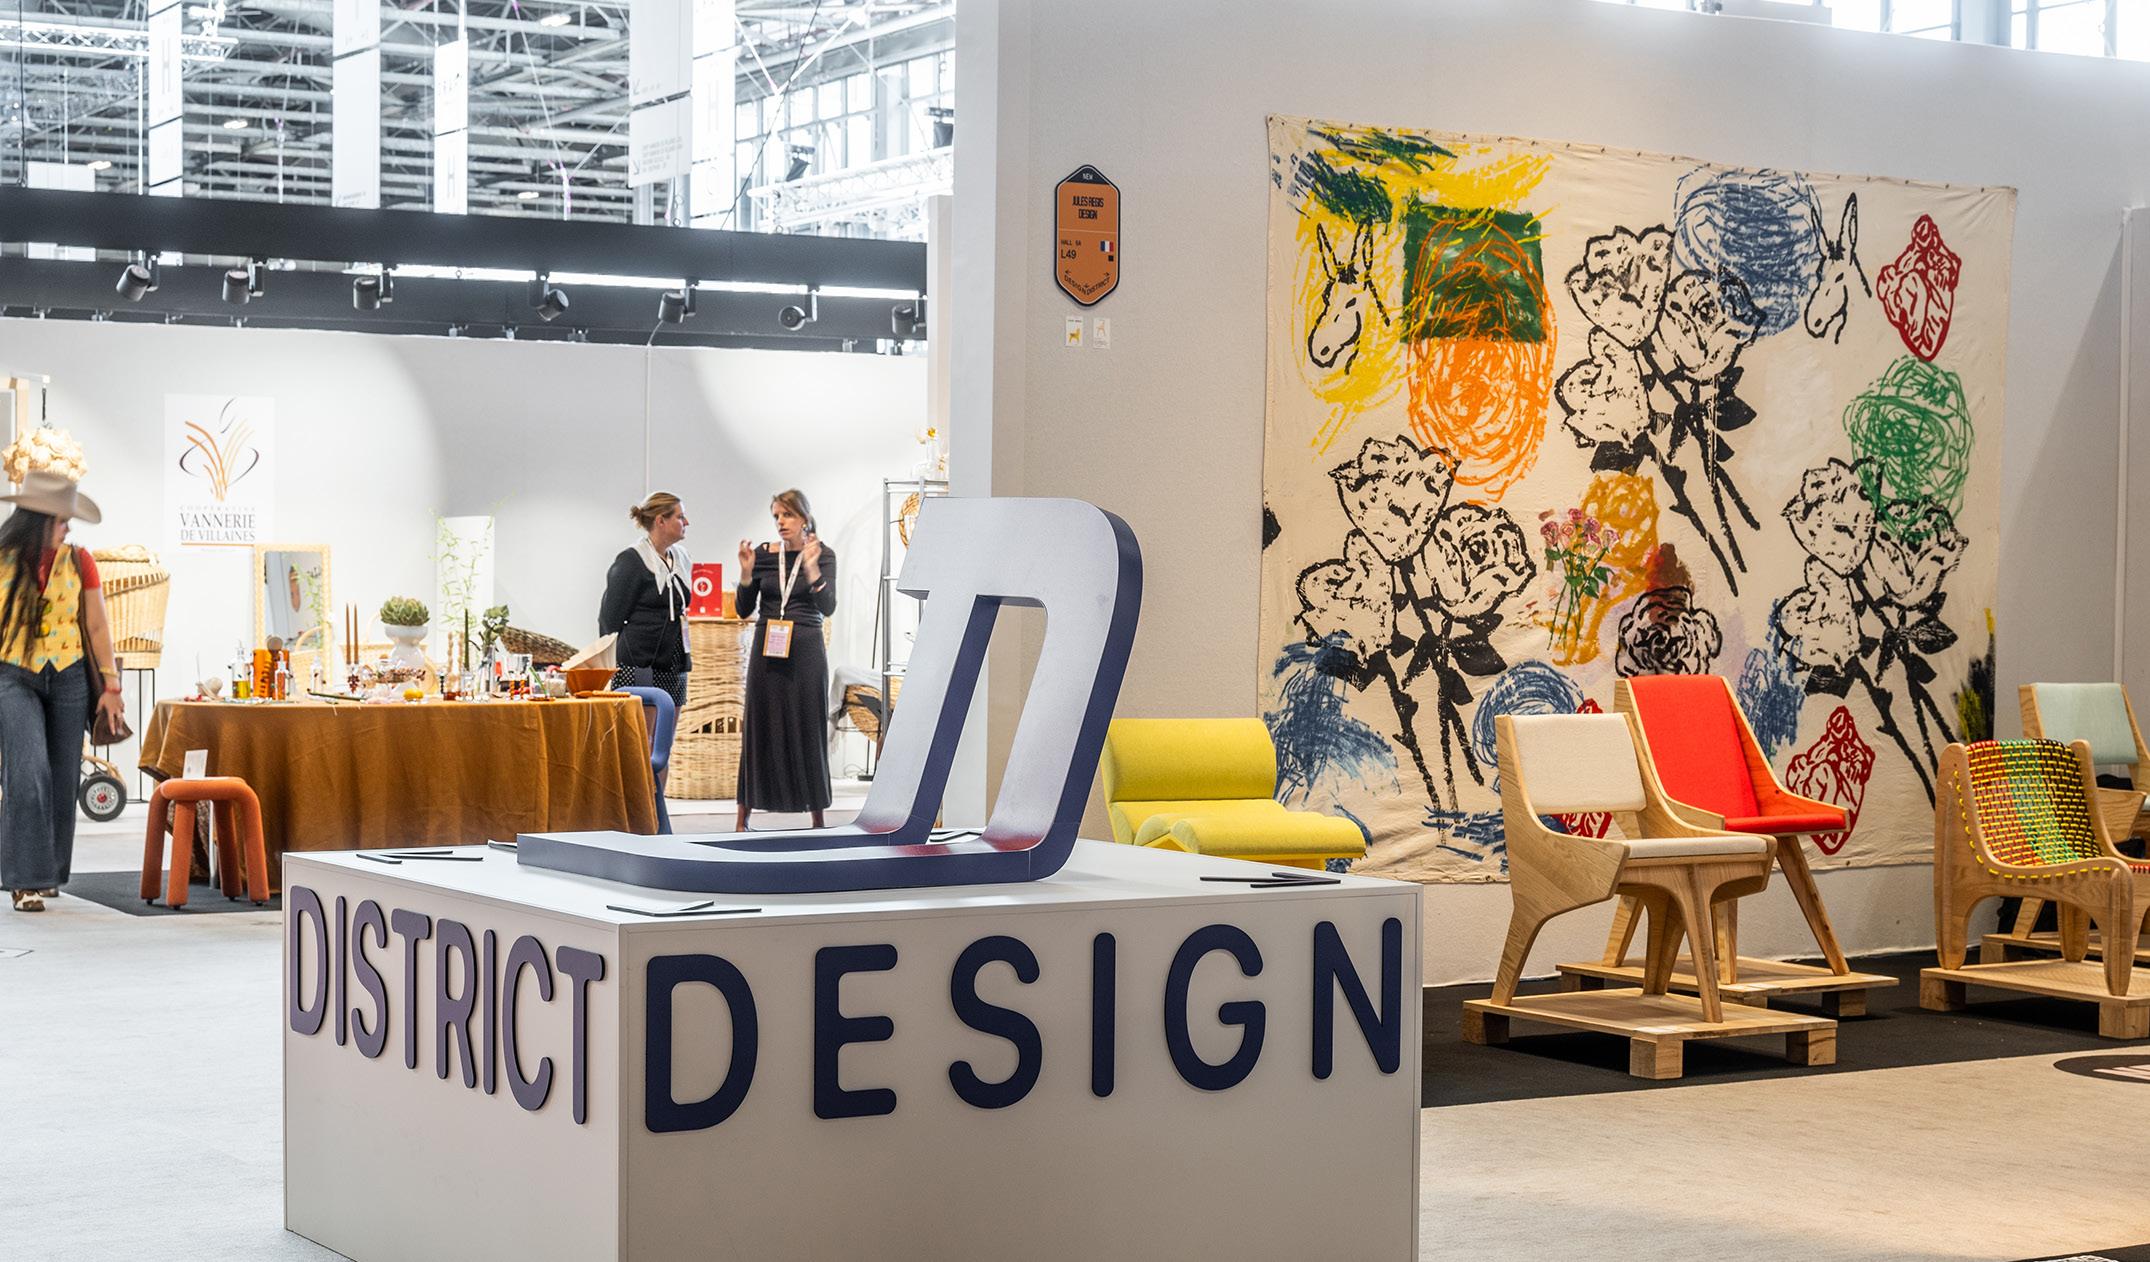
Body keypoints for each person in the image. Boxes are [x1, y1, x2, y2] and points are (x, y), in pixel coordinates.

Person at [0, 470, 126, 912]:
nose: (68, 528)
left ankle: (49, 872)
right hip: (14, 674)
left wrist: (111, 685)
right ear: (38, 519)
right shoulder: (3, 560)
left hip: (69, 675)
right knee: (27, 770)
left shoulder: (79, 560)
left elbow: (97, 626)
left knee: (62, 776)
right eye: (61, 520)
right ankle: (25, 881)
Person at [734, 488, 836, 830]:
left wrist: (812, 570)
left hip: (806, 648)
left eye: (787, 515)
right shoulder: (763, 555)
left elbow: (828, 607)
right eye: (776, 516)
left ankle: (817, 817)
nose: (780, 522)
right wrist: (746, 574)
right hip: (767, 647)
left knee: (808, 724)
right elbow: (743, 609)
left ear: (804, 518)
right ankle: (743, 817)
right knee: (758, 725)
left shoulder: (822, 555)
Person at [599, 491, 692, 708]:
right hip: (640, 663)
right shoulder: (631, 560)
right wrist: (606, 666)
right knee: (644, 730)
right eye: (680, 517)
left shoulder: (681, 558)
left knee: (668, 728)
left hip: (675, 661)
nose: (686, 522)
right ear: (661, 521)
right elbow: (609, 620)